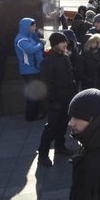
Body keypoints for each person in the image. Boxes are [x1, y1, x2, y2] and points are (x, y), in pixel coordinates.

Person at [37, 32, 77, 166]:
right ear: (54, 45)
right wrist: (53, 100)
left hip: (66, 99)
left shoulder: (65, 57)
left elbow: (70, 78)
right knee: (51, 128)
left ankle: (60, 147)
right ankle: (43, 154)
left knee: (62, 126)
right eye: (62, 42)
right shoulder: (48, 61)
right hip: (55, 101)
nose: (65, 44)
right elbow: (46, 83)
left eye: (65, 42)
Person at [14, 17, 45, 121]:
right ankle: (31, 116)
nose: (35, 27)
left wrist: (38, 40)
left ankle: (36, 113)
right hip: (29, 71)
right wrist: (41, 44)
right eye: (33, 26)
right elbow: (30, 50)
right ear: (27, 27)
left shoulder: (29, 36)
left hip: (35, 69)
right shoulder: (20, 39)